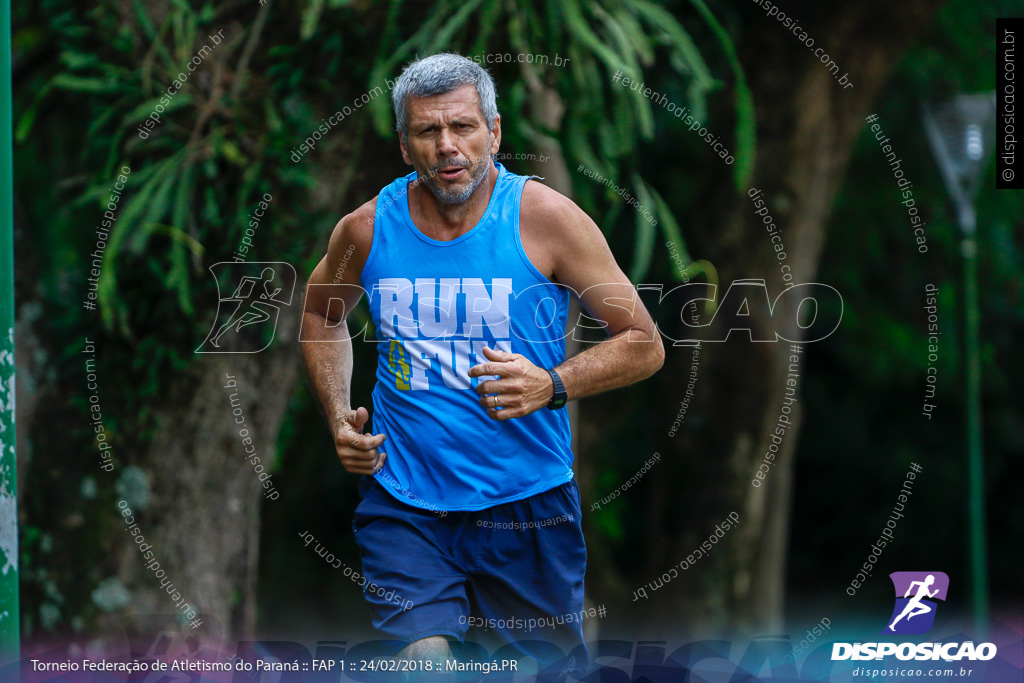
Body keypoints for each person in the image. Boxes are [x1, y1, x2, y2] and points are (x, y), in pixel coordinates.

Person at [300, 52, 664, 671]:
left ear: (494, 132)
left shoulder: (546, 220)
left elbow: (644, 342)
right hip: (406, 500)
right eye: (427, 131)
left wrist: (552, 383)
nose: (447, 146)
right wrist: (339, 414)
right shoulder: (365, 231)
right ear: (404, 146)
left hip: (527, 503)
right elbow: (320, 316)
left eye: (463, 127)